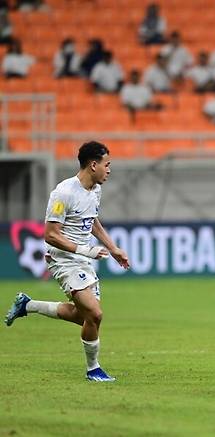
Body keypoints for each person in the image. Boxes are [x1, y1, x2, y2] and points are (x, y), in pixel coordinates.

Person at [4, 141, 130, 382]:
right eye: (107, 164)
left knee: (83, 317)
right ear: (93, 165)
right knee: (95, 313)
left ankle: (27, 305)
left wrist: (112, 248)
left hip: (82, 259)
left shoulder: (95, 190)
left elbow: (91, 219)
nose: (109, 169)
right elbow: (50, 234)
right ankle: (93, 369)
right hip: (63, 259)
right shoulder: (63, 193)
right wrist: (86, 250)